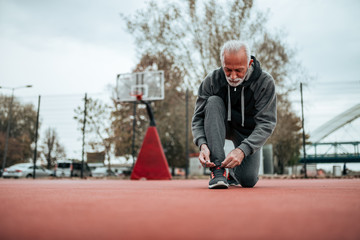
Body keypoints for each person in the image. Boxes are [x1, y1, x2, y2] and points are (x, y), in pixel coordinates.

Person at [191, 40, 277, 189]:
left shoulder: (265, 82)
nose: (232, 76)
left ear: (249, 63)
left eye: (239, 70)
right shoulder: (212, 81)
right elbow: (198, 118)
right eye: (228, 70)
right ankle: (218, 170)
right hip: (219, 123)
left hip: (247, 131)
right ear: (222, 62)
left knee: (248, 180)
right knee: (212, 102)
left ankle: (232, 175)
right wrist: (202, 145)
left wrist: (243, 150)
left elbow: (266, 123)